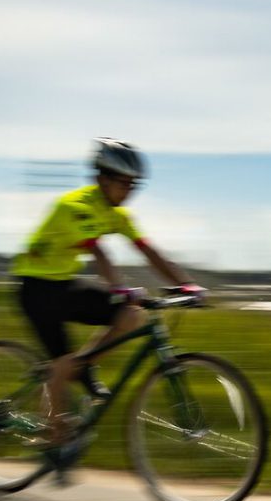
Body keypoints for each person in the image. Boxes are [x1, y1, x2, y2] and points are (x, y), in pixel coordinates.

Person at [11, 137, 203, 445]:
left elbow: (148, 251)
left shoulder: (117, 214)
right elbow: (98, 253)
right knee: (62, 362)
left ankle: (83, 367)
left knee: (130, 315)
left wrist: (185, 284)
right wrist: (119, 286)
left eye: (134, 185)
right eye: (124, 183)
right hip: (35, 287)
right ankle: (53, 435)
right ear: (101, 178)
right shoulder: (75, 207)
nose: (129, 191)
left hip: (63, 283)